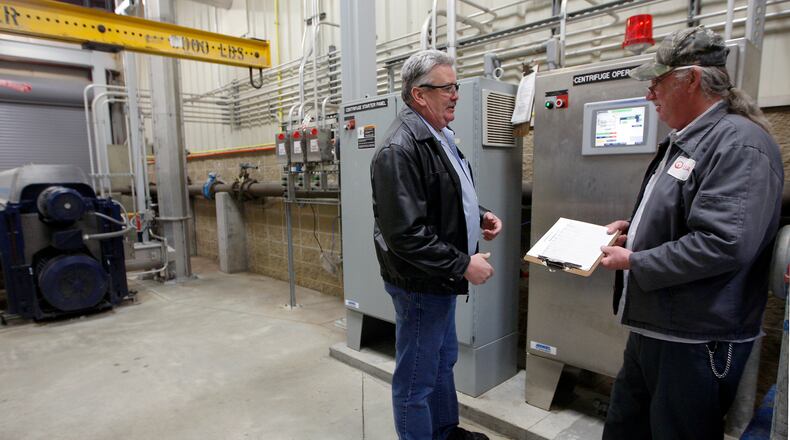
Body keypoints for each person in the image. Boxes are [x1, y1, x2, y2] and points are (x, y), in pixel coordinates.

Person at [599, 26, 783, 439]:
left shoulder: (738, 145)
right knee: (626, 426)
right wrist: (637, 230)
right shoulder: (689, 139)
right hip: (656, 325)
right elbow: (683, 215)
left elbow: (723, 243)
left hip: (697, 338)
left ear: (693, 79)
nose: (650, 95)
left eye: (657, 83)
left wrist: (635, 260)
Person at [370, 49, 502, 440]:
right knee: (415, 381)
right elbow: (406, 234)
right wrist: (463, 264)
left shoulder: (438, 136)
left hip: (438, 280)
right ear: (419, 95)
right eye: (447, 87)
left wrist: (480, 215)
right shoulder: (399, 148)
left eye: (455, 86)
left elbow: (446, 192)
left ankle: (445, 432)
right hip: (420, 284)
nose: (456, 95)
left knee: (443, 360)